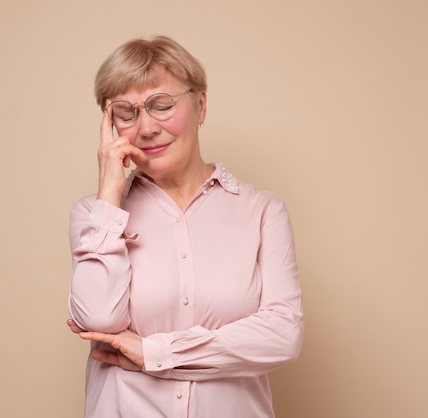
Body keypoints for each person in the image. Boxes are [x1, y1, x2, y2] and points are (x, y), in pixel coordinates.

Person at [67, 35, 303, 418]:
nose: (145, 128)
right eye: (126, 113)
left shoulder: (262, 212)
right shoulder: (94, 216)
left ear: (201, 105)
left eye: (161, 105)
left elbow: (282, 336)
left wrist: (153, 353)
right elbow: (98, 319)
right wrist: (110, 190)